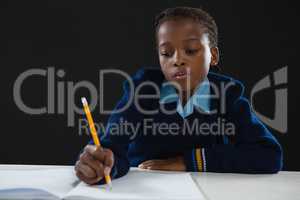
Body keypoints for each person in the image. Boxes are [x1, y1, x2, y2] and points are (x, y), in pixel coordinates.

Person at [75, 7, 283, 185]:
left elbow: (268, 155)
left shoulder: (226, 96)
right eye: (166, 53)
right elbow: (113, 149)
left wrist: (188, 161)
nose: (177, 60)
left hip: (205, 189)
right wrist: (101, 165)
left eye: (191, 50)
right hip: (142, 187)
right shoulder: (142, 92)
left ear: (214, 56)